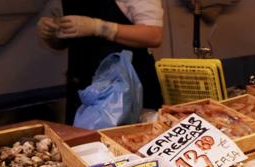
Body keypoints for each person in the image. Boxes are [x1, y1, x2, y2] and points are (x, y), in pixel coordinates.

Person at [36, 0, 164, 124]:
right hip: (83, 89)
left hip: (127, 92)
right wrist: (54, 34)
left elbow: (154, 35)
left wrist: (99, 27)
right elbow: (73, 41)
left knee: (126, 142)